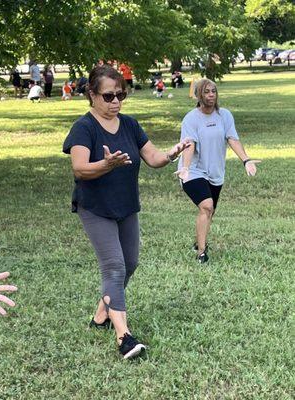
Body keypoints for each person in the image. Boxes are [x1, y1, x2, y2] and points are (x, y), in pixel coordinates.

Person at [63, 65, 190, 359]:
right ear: (92, 95)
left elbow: (153, 157)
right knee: (114, 267)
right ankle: (124, 337)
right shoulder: (84, 128)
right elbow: (80, 168)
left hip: (125, 205)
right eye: (108, 96)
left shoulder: (130, 125)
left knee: (130, 262)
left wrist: (172, 153)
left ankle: (100, 317)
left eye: (121, 94)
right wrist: (106, 164)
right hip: (95, 207)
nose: (116, 101)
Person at [176, 78, 261, 263]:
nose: (211, 95)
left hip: (215, 172)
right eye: (206, 92)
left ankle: (199, 240)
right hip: (193, 171)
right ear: (199, 95)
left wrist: (245, 160)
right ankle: (201, 252)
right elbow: (189, 144)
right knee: (206, 206)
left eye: (213, 91)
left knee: (210, 211)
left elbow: (232, 139)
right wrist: (185, 167)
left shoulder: (225, 115)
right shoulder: (191, 118)